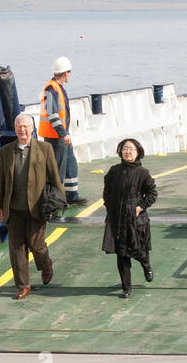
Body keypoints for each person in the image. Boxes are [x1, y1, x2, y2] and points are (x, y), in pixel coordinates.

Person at [0, 113, 66, 299]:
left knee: (37, 244)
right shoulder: (6, 151)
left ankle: (46, 264)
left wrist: (61, 200)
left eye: (26, 126)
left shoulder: (45, 149)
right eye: (19, 126)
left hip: (36, 207)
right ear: (15, 129)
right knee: (16, 248)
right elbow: (2, 181)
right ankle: (23, 286)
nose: (22, 129)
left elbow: (54, 176)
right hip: (14, 208)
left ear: (32, 128)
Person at [100, 137, 157, 299]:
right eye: (125, 148)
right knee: (122, 253)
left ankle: (146, 266)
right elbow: (107, 191)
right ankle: (126, 287)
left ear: (138, 153)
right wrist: (109, 206)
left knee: (139, 250)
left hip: (135, 218)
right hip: (117, 219)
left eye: (131, 149)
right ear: (120, 151)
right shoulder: (114, 171)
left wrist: (140, 207)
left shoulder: (142, 173)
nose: (128, 151)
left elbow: (152, 193)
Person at [39, 56, 88, 205]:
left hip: (62, 136)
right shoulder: (50, 89)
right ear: (66, 73)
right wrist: (63, 134)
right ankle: (55, 201)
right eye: (69, 73)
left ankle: (71, 196)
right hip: (55, 138)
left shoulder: (58, 88)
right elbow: (52, 115)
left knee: (70, 164)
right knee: (57, 170)